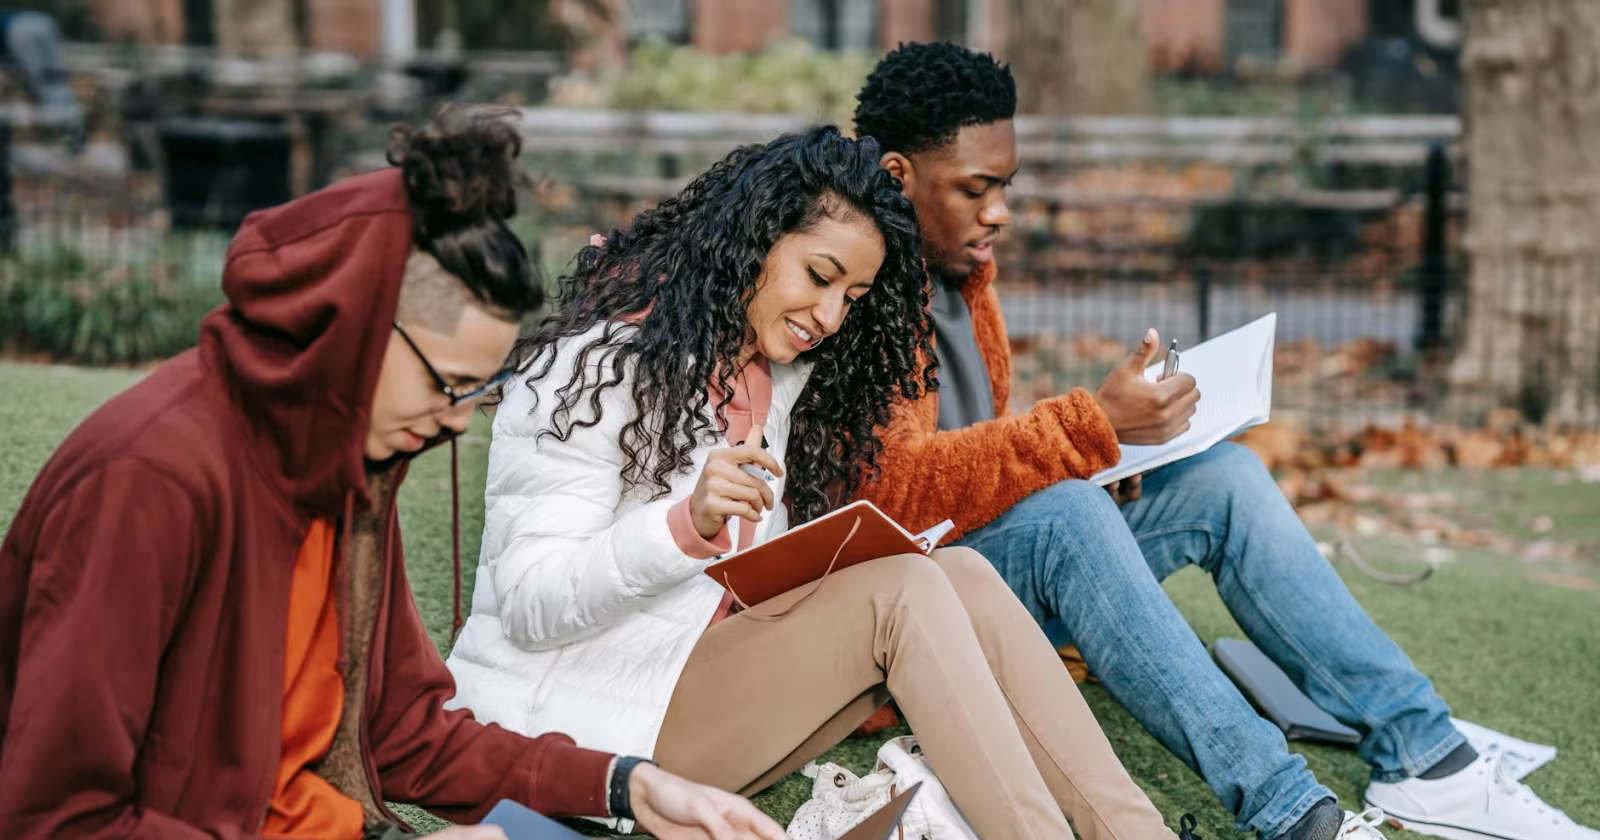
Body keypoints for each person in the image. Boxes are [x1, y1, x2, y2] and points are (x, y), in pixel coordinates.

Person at [850, 41, 1600, 840]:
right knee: (1068, 513)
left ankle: (1426, 760)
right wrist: (1085, 431)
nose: (1000, 210)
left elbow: (971, 450)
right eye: (976, 188)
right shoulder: (853, 293)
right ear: (897, 176)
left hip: (996, 571)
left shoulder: (964, 278)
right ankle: (1295, 815)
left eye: (1006, 185)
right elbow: (891, 497)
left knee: (1225, 479)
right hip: (915, 622)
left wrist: (1116, 455)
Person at [0, 105, 783, 840]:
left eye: (473, 393)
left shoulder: (349, 473)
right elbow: (58, 818)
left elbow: (404, 732)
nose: (451, 421)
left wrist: (625, 784)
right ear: (348, 327)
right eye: (446, 385)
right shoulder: (148, 480)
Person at [445, 126, 1200, 840]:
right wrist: (685, 526)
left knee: (958, 572)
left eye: (854, 297)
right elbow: (529, 603)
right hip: (579, 724)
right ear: (752, 243)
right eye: (819, 276)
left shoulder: (778, 377)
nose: (831, 315)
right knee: (901, 593)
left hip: (686, 683)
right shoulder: (590, 367)